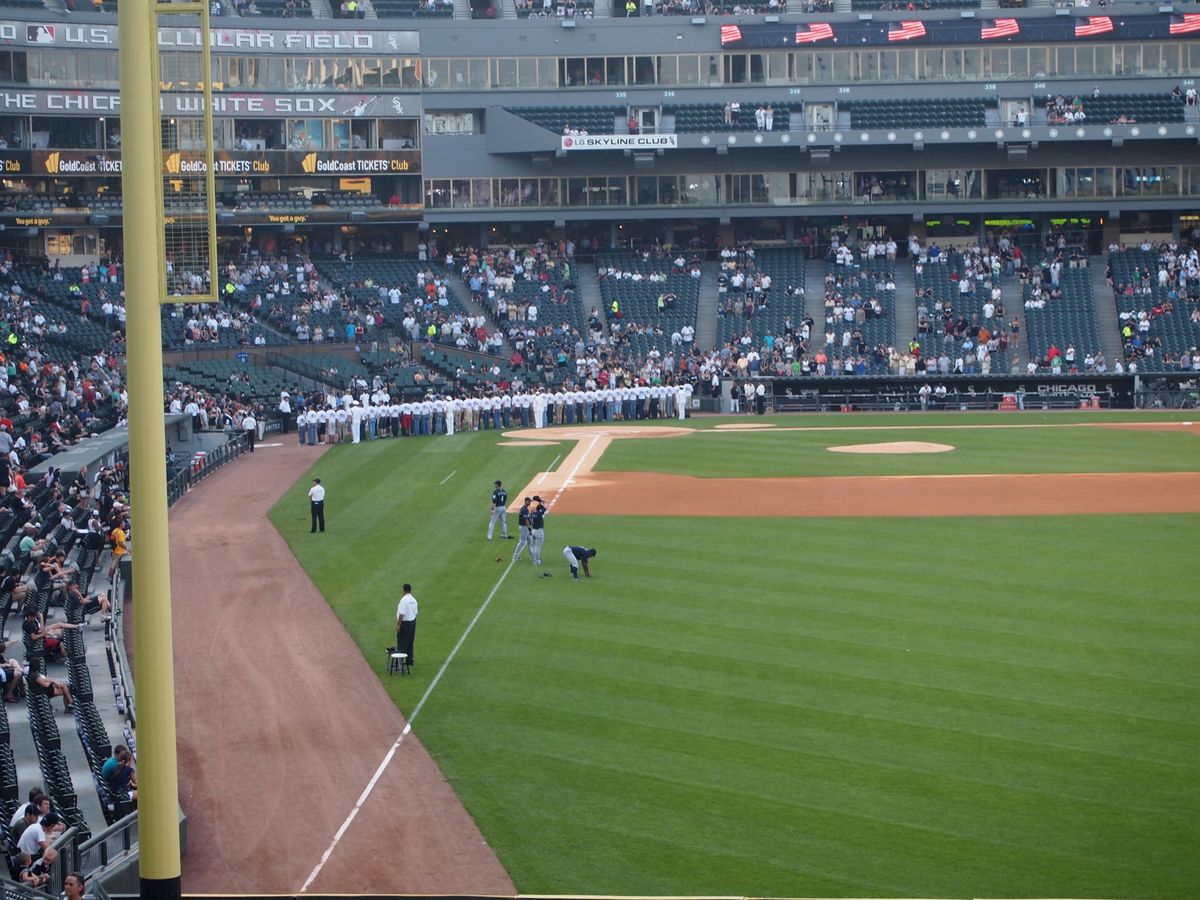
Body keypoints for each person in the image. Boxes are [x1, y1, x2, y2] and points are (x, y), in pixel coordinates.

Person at [395, 584, 418, 668]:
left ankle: (399, 663)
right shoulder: (414, 600)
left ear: (404, 590)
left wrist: (398, 624)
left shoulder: (403, 600)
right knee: (410, 642)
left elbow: (401, 614)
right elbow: (415, 613)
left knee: (401, 642)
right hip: (412, 622)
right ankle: (409, 660)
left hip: (405, 623)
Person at [511, 496, 533, 562]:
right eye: (529, 501)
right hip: (523, 527)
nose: (530, 503)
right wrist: (529, 528)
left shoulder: (525, 509)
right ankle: (515, 556)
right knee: (522, 542)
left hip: (525, 527)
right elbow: (525, 520)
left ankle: (532, 556)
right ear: (526, 501)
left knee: (530, 541)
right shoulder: (524, 509)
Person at [528, 496, 547, 566]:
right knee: (537, 547)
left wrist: (539, 502)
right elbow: (545, 507)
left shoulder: (532, 513)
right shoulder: (539, 513)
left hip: (533, 531)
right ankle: (536, 561)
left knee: (535, 546)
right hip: (539, 531)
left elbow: (539, 508)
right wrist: (541, 501)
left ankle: (535, 559)